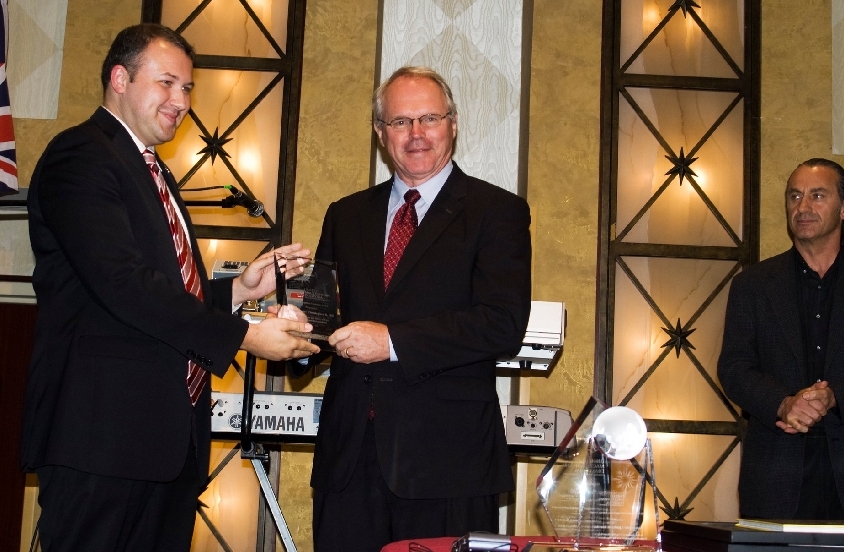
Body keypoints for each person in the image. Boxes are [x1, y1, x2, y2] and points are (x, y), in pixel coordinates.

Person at [21, 23, 319, 551]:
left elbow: (164, 289)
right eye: (167, 83)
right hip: (102, 441)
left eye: (187, 89)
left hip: (166, 445)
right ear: (119, 78)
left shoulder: (154, 171)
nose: (181, 101)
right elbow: (124, 285)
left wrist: (240, 291)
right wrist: (244, 336)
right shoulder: (81, 157)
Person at [293, 66, 531, 551]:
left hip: (448, 464)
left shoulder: (497, 211)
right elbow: (323, 321)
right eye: (400, 122)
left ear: (453, 124)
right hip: (349, 461)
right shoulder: (346, 214)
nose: (416, 134)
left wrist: (392, 342)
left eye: (429, 118)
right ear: (381, 134)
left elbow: (502, 324)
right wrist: (295, 333)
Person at [717, 158, 844, 521]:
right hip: (776, 479)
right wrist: (782, 404)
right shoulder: (752, 285)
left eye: (817, 195)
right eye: (794, 196)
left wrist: (835, 397)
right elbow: (734, 369)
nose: (803, 207)